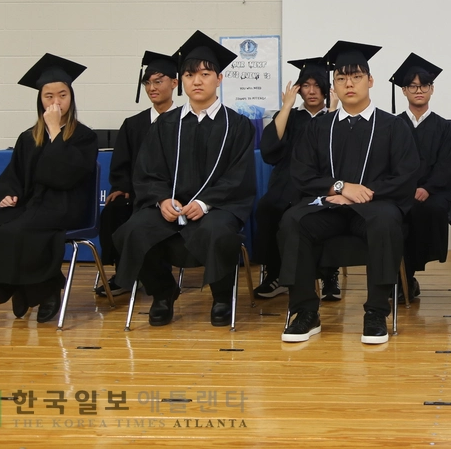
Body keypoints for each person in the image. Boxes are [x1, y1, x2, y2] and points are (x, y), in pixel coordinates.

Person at [279, 41, 420, 344]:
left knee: (385, 220)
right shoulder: (319, 127)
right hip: (329, 205)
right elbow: (301, 173)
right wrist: (340, 188)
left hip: (374, 207)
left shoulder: (393, 126)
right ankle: (305, 311)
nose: (349, 84)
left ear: (370, 81)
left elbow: (406, 176)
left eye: (356, 77)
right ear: (334, 86)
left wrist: (362, 193)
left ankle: (377, 311)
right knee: (293, 220)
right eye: (341, 79)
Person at [113, 31, 257, 327]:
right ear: (182, 81)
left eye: (205, 73)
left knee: (219, 231)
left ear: (219, 79)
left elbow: (238, 177)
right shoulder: (166, 124)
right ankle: (163, 293)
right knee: (134, 229)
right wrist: (161, 199)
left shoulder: (238, 126)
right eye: (190, 74)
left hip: (216, 209)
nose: (197, 80)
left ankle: (221, 298)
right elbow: (148, 172)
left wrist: (205, 204)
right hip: (171, 207)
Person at [0, 54, 98, 323]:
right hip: (32, 204)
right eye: (49, 96)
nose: (56, 102)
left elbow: (65, 176)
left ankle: (48, 292)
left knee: (21, 228)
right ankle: (19, 287)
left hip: (66, 205)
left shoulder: (84, 136)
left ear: (71, 98)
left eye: (62, 95)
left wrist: (54, 131)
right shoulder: (28, 137)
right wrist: (8, 194)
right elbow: (13, 173)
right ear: (40, 100)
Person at [97, 50, 179, 297]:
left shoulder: (186, 122)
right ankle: (125, 273)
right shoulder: (133, 124)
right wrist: (122, 187)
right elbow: (122, 163)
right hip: (138, 193)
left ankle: (146, 273)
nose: (152, 88)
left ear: (174, 83)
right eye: (148, 82)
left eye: (158, 81)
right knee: (115, 209)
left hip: (174, 196)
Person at [253, 57, 333, 300]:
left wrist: (335, 111)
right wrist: (286, 107)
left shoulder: (334, 117)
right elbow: (270, 148)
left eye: (317, 85)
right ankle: (275, 274)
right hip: (287, 182)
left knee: (327, 213)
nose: (311, 91)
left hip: (323, 183)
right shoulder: (290, 116)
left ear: (327, 89)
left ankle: (329, 274)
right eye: (306, 85)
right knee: (268, 208)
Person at [390, 53, 451, 297]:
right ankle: (400, 277)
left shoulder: (444, 127)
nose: (419, 90)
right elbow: (388, 164)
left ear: (432, 89)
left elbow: (446, 164)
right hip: (400, 192)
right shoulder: (393, 125)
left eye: (424, 86)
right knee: (393, 214)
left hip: (434, 192)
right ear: (404, 91)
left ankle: (406, 275)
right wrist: (406, 189)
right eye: (412, 86)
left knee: (426, 210)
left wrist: (427, 188)